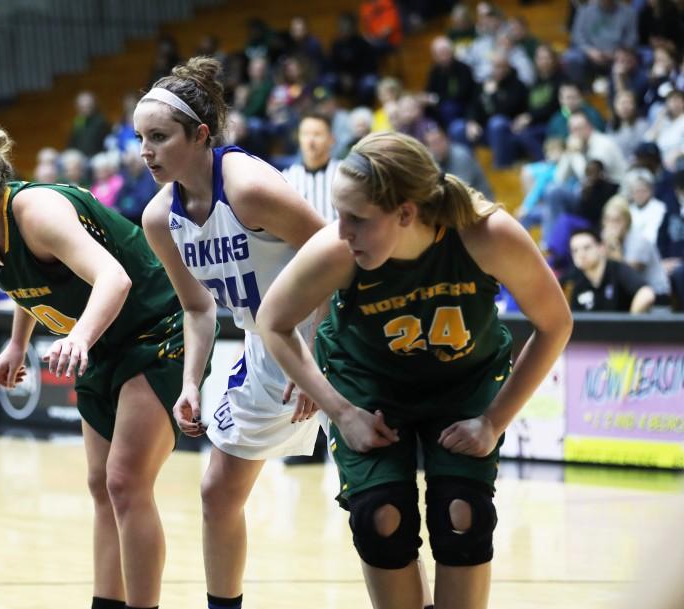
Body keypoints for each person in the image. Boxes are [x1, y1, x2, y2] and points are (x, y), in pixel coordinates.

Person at [258, 131, 573, 609]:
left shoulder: (487, 234)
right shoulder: (339, 248)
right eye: (339, 215)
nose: (341, 231)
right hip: (368, 386)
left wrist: (494, 421)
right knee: (380, 519)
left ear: (405, 213)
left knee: (462, 516)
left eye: (356, 219)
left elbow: (555, 324)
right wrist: (341, 412)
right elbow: (273, 322)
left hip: (461, 384)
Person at [0, 120, 196, 609]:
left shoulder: (38, 211)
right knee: (100, 484)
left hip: (158, 327)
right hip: (107, 340)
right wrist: (16, 344)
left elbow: (114, 278)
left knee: (125, 482)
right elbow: (31, 288)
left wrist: (80, 337)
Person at [135, 57, 327, 609]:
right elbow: (197, 308)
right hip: (267, 341)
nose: (145, 151)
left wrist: (312, 359)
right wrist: (191, 382)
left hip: (328, 323)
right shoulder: (158, 219)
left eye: (159, 137)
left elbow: (337, 255)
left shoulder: (247, 186)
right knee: (219, 493)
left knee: (372, 490)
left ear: (200, 135)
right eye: (140, 138)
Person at [564, 228, 656, 312]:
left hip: (618, 329)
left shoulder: (617, 269)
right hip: (586, 330)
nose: (581, 254)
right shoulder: (571, 278)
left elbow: (646, 294)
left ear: (601, 248)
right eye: (575, 250)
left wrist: (631, 323)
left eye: (586, 248)